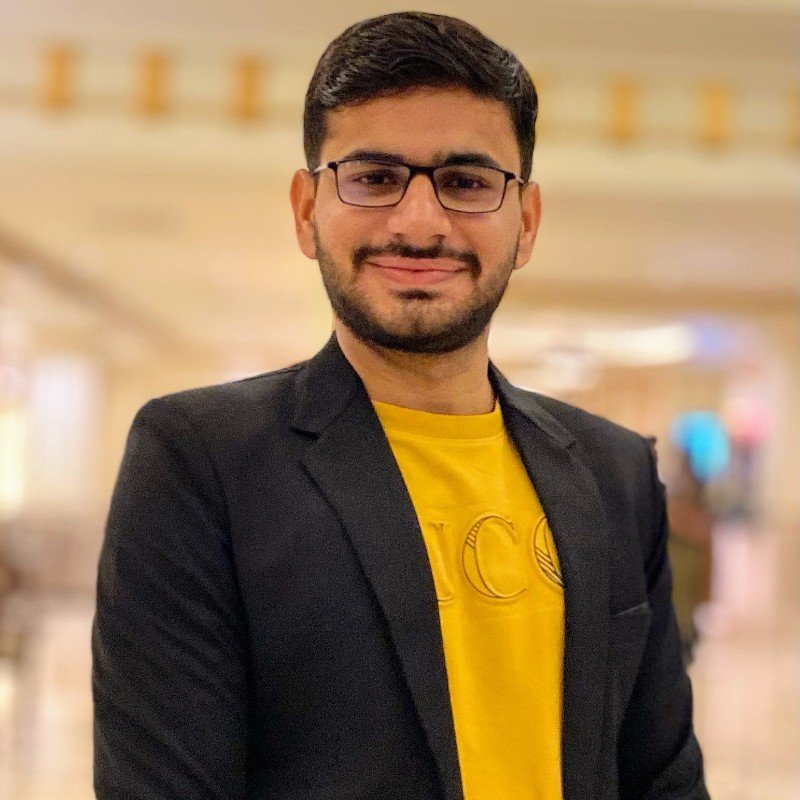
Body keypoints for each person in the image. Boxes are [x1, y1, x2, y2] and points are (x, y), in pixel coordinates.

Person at [92, 12, 709, 800]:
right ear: (307, 210)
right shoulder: (202, 461)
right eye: (375, 178)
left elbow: (662, 777)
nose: (419, 223)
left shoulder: (613, 471)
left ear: (526, 222)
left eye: (467, 182)